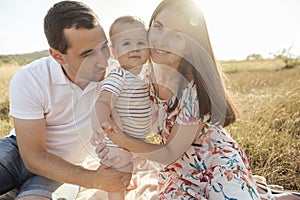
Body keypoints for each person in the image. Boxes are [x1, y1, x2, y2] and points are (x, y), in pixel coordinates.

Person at [93, 0, 266, 199]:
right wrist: (113, 147)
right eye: (158, 27)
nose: (160, 40)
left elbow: (170, 152)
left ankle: (254, 189)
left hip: (215, 160)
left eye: (176, 35)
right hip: (177, 170)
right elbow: (118, 111)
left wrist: (122, 140)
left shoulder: (194, 89)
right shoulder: (141, 76)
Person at [0, 1, 131, 199]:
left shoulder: (117, 78)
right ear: (58, 56)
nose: (103, 61)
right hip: (18, 151)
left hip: (67, 169)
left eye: (104, 47)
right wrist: (96, 179)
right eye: (87, 54)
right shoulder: (30, 78)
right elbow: (33, 157)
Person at [91, 15, 151, 200]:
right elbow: (103, 100)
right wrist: (104, 122)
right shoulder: (119, 75)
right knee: (118, 174)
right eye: (126, 43)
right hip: (117, 142)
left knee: (132, 164)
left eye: (141, 42)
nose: (135, 48)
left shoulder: (144, 75)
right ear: (114, 51)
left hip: (134, 141)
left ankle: (127, 181)